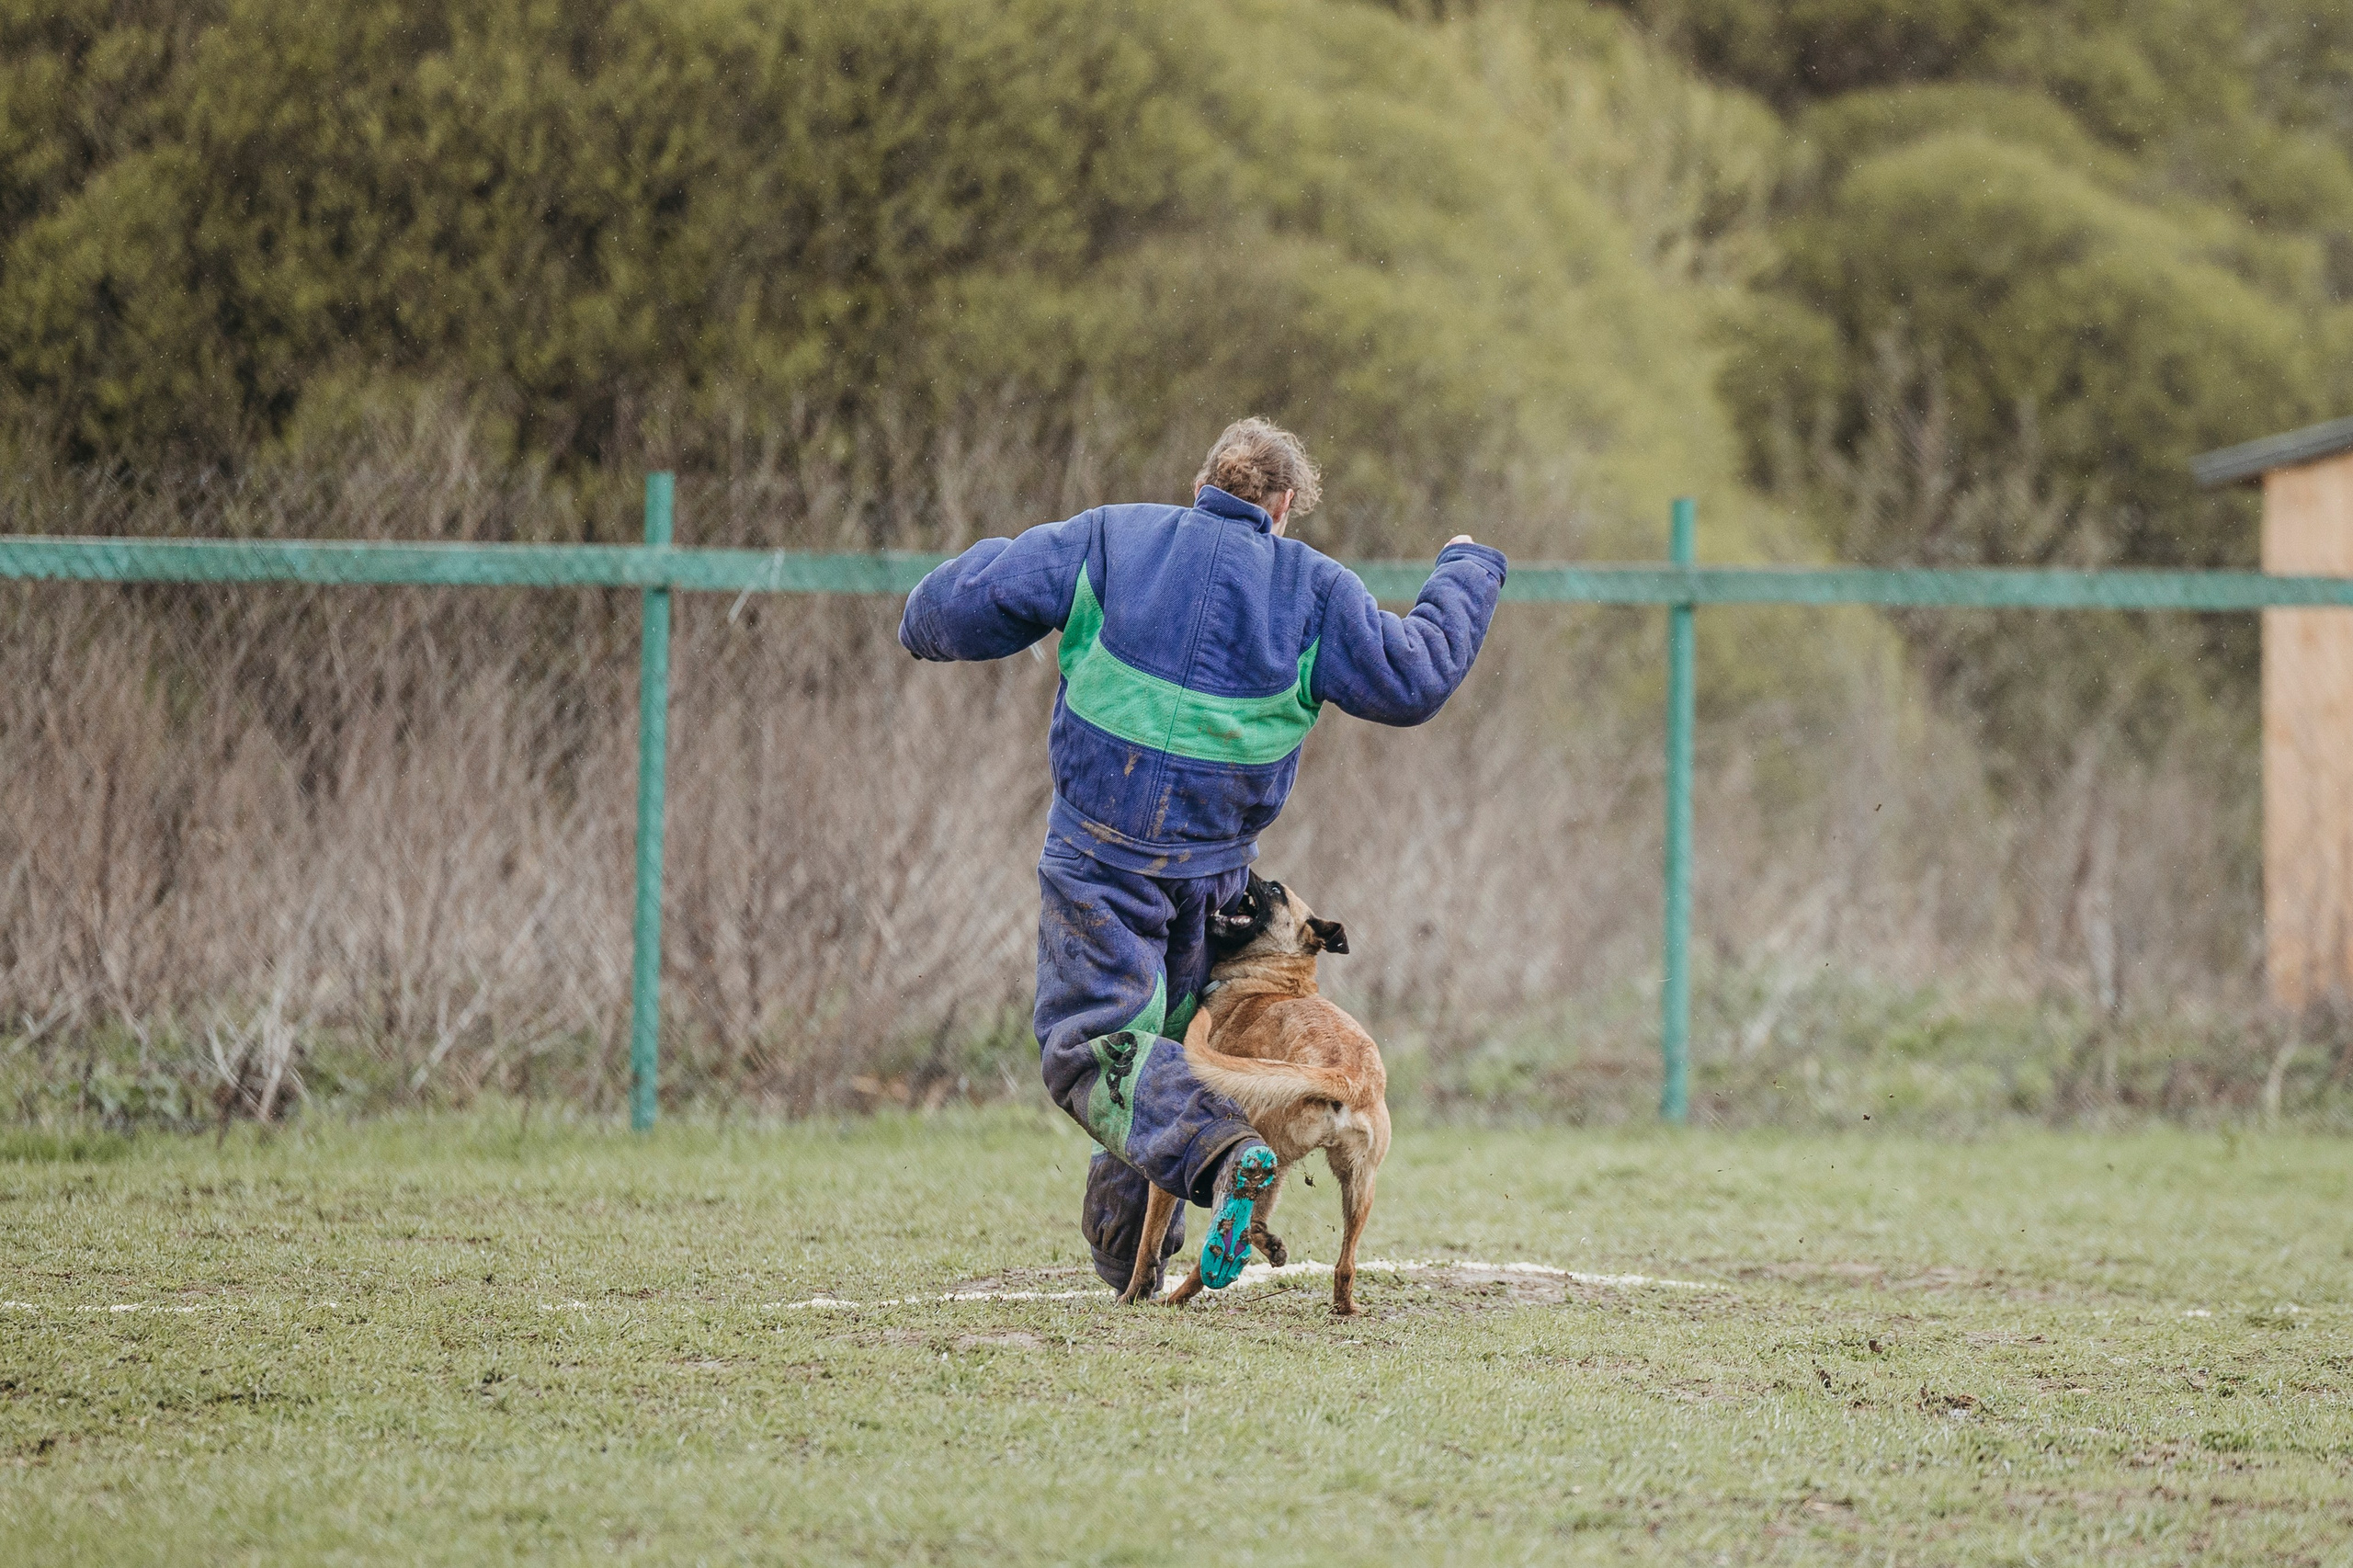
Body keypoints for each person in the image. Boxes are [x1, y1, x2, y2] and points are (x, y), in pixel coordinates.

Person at [899, 417, 1506, 1293]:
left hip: (1099, 857)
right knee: (1164, 1046)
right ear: (1284, 507)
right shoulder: (1315, 591)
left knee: (1097, 1047)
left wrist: (922, 622)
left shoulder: (1110, 537)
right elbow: (1413, 677)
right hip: (1212, 884)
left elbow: (970, 600)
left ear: (1201, 488)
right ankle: (1124, 1257)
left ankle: (1225, 1161)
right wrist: (1467, 568)